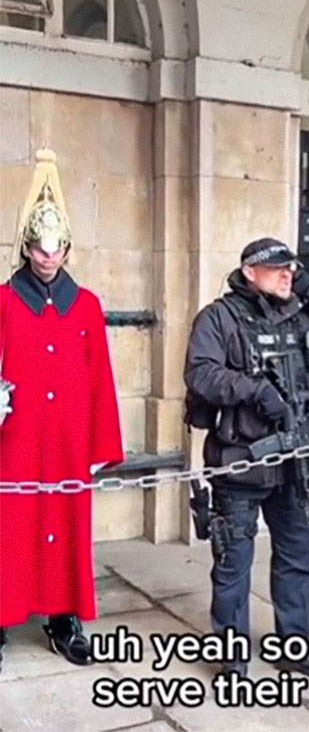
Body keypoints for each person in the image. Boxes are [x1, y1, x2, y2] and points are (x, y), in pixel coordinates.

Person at [184, 237, 309, 679]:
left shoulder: (302, 314)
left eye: (293, 269)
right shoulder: (219, 318)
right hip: (241, 460)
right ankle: (232, 656)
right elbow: (201, 373)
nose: (289, 274)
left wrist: (306, 288)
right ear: (250, 272)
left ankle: (295, 646)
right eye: (279, 269)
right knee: (233, 565)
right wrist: (256, 390)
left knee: (296, 560)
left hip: (293, 463)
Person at [0, 149, 124, 670]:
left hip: (69, 443)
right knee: (10, 530)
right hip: (17, 441)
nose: (47, 256)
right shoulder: (3, 301)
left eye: (55, 248)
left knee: (65, 530)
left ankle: (63, 619)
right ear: (26, 248)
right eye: (39, 247)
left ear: (67, 249)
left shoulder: (87, 305)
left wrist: (100, 444)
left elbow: (100, 379)